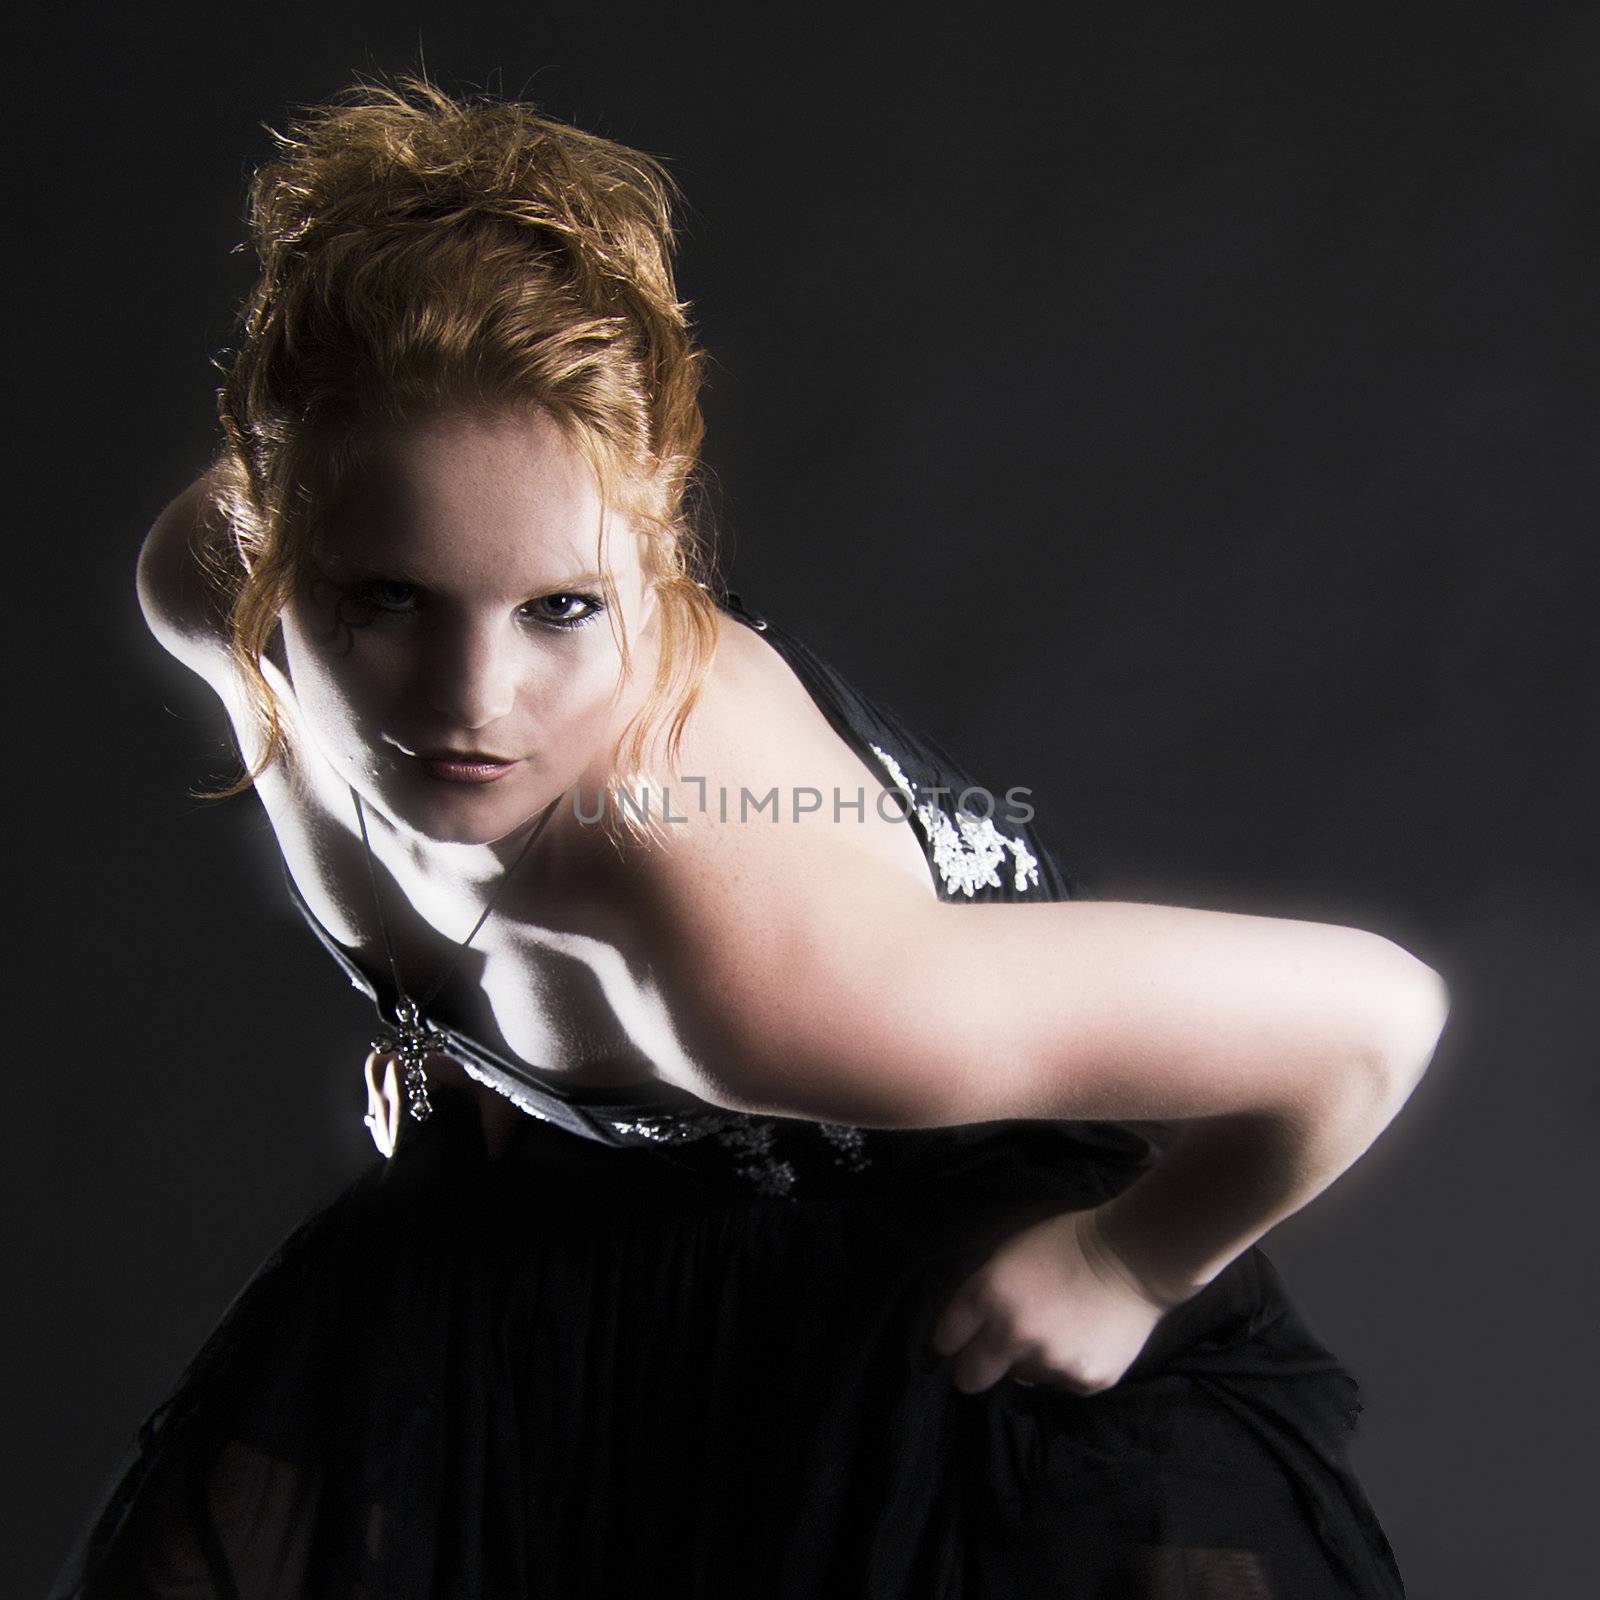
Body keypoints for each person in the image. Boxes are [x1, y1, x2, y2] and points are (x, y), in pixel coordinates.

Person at [49, 74, 1448, 1599]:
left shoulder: (755, 966)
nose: (472, 703)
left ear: (649, 562)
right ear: (273, 534)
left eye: (562, 610)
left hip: (895, 1310)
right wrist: (493, 1070)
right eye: (382, 597)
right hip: (561, 1251)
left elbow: (1374, 1019)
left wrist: (1126, 1264)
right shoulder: (205, 580)